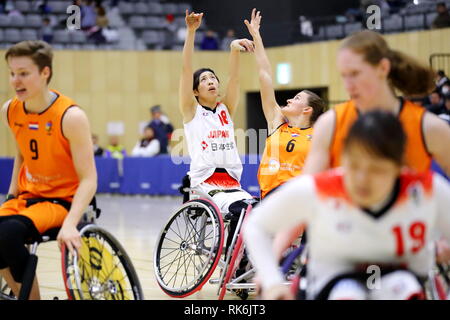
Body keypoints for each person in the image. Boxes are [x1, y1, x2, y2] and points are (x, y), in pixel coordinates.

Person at [275, 29, 450, 262]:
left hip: (403, 252)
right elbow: (305, 197)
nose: (349, 84)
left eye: (355, 74)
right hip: (344, 248)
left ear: (383, 69)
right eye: (344, 76)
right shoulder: (331, 123)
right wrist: (273, 256)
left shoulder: (428, 126)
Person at [244, 111, 450, 300]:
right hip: (335, 281)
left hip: (400, 278)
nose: (362, 178)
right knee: (346, 294)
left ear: (400, 168)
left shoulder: (426, 190)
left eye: (376, 170)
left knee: (404, 288)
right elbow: (256, 225)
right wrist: (271, 281)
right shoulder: (321, 187)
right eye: (354, 165)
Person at [0, 40, 97, 299]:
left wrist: (71, 223)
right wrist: (11, 194)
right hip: (26, 199)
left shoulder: (70, 116)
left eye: (23, 73)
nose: (15, 81)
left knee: (7, 234)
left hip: (60, 201)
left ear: (45, 73)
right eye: (12, 73)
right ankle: (24, 293)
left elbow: (89, 179)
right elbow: (22, 152)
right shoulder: (10, 110)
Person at [179, 10, 255, 253]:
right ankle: (235, 255)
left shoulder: (226, 109)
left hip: (232, 181)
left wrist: (234, 49)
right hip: (206, 182)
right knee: (243, 211)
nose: (211, 81)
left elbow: (234, 78)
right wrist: (191, 33)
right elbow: (185, 70)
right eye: (204, 80)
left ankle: (239, 257)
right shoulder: (191, 111)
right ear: (195, 91)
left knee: (258, 210)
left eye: (213, 78)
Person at [244, 9, 326, 199]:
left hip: (300, 200)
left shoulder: (318, 135)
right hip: (271, 199)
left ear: (307, 110)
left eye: (296, 98)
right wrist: (256, 36)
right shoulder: (277, 123)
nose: (289, 99)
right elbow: (265, 75)